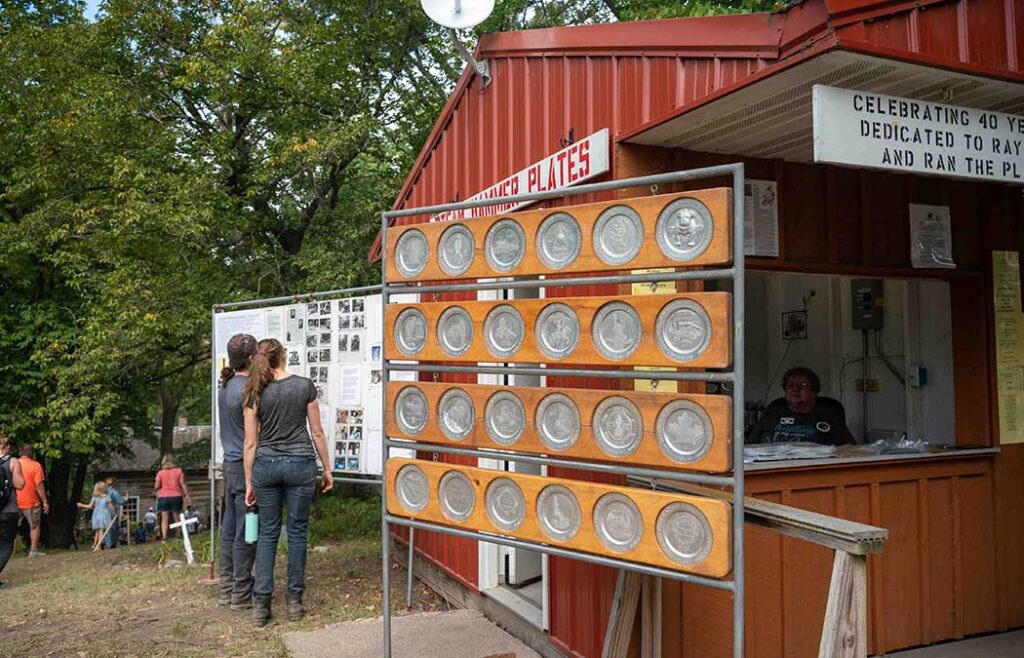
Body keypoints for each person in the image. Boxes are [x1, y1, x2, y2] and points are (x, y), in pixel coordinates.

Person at [243, 338, 333, 627]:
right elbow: (316, 432)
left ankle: (261, 606)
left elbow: (249, 443)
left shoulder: (254, 391)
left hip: (266, 467)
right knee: (296, 533)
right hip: (300, 465)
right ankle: (294, 603)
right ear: (282, 357)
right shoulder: (304, 386)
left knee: (267, 535)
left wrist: (249, 482)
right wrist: (327, 468)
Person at [218, 332, 258, 609]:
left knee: (229, 528)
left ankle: (227, 585)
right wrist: (250, 480)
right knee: (249, 529)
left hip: (228, 465)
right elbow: (251, 439)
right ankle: (241, 592)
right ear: (253, 358)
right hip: (246, 468)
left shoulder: (225, 384)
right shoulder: (248, 390)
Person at [747, 366, 856, 445]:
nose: (795, 389)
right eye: (790, 385)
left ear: (814, 391)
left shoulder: (830, 415)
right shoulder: (773, 412)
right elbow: (751, 444)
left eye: (802, 385)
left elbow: (848, 448)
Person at [0, 432, 26, 587]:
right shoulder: (13, 461)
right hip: (8, 510)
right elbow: (20, 484)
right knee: (5, 545)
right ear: (7, 447)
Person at [16, 445, 49, 558]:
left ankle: (8, 550)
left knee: (9, 526)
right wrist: (44, 500)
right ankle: (33, 551)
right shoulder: (36, 465)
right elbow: (38, 484)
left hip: (14, 501)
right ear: (31, 453)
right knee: (34, 526)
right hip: (31, 501)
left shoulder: (13, 464)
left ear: (20, 452)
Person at [154, 454, 191, 540]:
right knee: (176, 516)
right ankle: (178, 534)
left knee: (164, 517)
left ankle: (164, 537)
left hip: (163, 496)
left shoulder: (160, 473)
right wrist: (186, 494)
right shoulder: (179, 471)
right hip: (176, 496)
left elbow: (156, 486)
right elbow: (183, 484)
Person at [77, 481, 115, 550]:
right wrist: (114, 513)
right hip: (103, 514)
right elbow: (111, 506)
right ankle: (99, 545)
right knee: (101, 530)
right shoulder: (107, 497)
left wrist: (82, 505)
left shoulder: (94, 497)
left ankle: (95, 544)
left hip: (96, 514)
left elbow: (90, 506)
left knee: (97, 530)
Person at [104, 477, 125, 549]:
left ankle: (105, 542)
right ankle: (111, 543)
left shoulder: (103, 492)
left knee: (105, 526)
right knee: (113, 527)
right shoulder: (114, 492)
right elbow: (121, 501)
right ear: (114, 484)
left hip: (103, 510)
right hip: (111, 510)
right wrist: (126, 499)